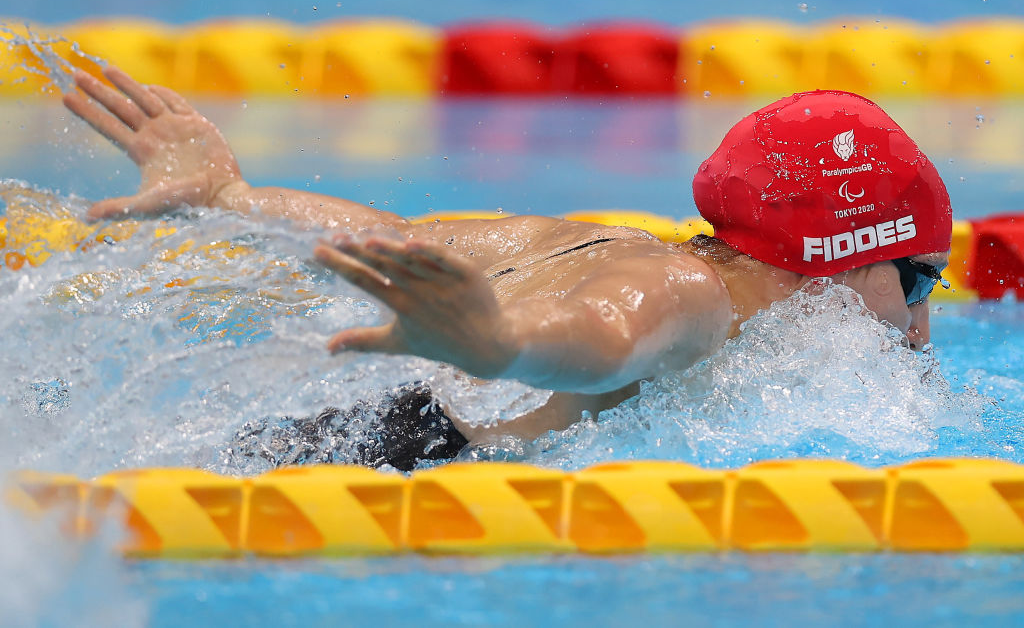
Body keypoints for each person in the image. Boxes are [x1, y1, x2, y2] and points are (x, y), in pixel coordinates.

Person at [62, 66, 951, 465]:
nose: (920, 324)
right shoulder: (694, 293)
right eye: (915, 278)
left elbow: (394, 234)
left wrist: (230, 198)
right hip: (420, 463)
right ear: (840, 258)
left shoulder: (587, 239)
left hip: (363, 433)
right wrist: (497, 344)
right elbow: (603, 336)